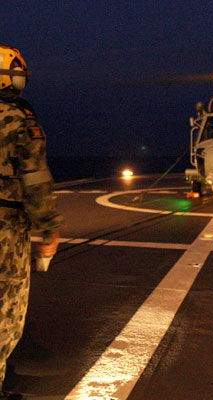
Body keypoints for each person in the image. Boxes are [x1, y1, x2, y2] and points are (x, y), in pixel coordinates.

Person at [0, 45, 63, 399]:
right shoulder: (19, 117)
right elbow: (35, 179)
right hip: (6, 228)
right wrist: (49, 227)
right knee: (6, 314)